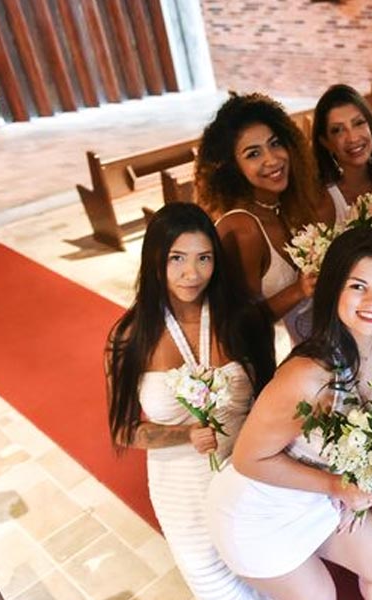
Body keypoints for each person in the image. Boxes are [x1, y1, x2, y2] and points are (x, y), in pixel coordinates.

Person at [207, 227, 372, 600]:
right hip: (262, 510)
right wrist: (338, 487)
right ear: (333, 291)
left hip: (323, 497)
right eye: (357, 286)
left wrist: (370, 482)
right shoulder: (307, 375)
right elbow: (249, 459)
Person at [106, 203, 274, 600]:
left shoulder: (242, 318)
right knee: (217, 586)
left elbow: (269, 398)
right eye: (177, 259)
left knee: (269, 575)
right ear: (154, 261)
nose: (192, 274)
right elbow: (124, 429)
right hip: (181, 491)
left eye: (204, 258)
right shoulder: (129, 338)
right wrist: (185, 433)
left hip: (247, 475)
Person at [195, 91, 330, 344]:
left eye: (275, 143)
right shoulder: (242, 227)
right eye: (253, 154)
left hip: (316, 344)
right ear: (232, 166)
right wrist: (298, 291)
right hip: (276, 364)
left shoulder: (286, 206)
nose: (272, 159)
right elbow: (240, 325)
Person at [312, 83, 372, 254]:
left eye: (358, 123)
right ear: (325, 142)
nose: (353, 137)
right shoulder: (324, 202)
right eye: (338, 130)